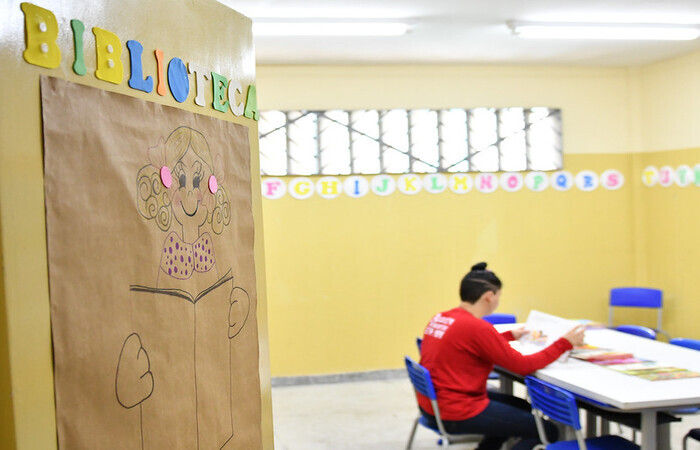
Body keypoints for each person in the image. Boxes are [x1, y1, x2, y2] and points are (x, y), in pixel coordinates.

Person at [417, 262, 586, 450]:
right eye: (499, 296)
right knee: (548, 431)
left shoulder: (442, 317)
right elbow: (523, 365)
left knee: (521, 406)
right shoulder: (477, 327)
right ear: (489, 296)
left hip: (433, 404)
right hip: (457, 410)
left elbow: (470, 343)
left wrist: (508, 336)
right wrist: (565, 343)